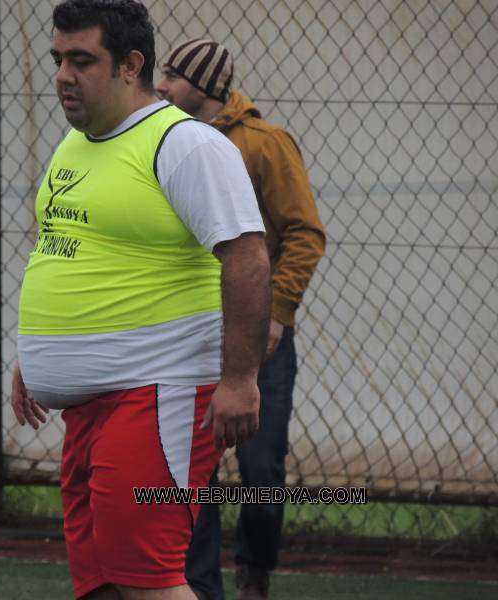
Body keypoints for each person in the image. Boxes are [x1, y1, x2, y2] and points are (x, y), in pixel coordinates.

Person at [11, 2, 272, 599]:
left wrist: (239, 380)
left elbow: (248, 258)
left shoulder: (185, 145)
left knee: (147, 581)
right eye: (57, 60)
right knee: (102, 584)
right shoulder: (76, 143)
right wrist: (38, 353)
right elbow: (67, 248)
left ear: (131, 65)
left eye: (81, 61)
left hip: (156, 393)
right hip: (90, 408)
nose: (62, 76)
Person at [156, 39, 326, 600]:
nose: (161, 85)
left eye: (173, 76)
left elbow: (304, 233)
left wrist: (275, 313)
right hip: (190, 333)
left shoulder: (265, 144)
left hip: (259, 337)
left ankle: (256, 571)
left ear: (203, 86)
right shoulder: (162, 140)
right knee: (191, 469)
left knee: (261, 467)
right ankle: (199, 586)